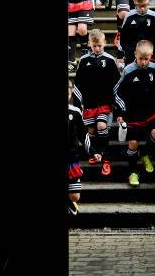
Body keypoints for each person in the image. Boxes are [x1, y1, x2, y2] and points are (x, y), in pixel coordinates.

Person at [114, 40, 155, 187]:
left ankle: (145, 153)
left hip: (151, 111)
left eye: (146, 59)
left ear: (151, 56)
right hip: (132, 112)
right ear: (135, 54)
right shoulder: (128, 70)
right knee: (133, 143)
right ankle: (133, 172)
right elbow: (117, 92)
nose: (143, 62)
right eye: (140, 58)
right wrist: (121, 111)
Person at [72, 29, 120, 177]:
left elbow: (116, 84)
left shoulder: (110, 60)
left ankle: (105, 157)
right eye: (94, 46)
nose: (97, 48)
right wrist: (76, 105)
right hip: (89, 103)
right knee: (91, 131)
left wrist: (117, 107)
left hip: (105, 103)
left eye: (100, 45)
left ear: (105, 43)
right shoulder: (84, 60)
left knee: (102, 126)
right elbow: (78, 84)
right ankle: (95, 153)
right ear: (89, 44)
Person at [67, 80, 85, 216]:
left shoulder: (75, 111)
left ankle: (70, 201)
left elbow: (84, 135)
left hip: (71, 158)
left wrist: (94, 152)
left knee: (75, 197)